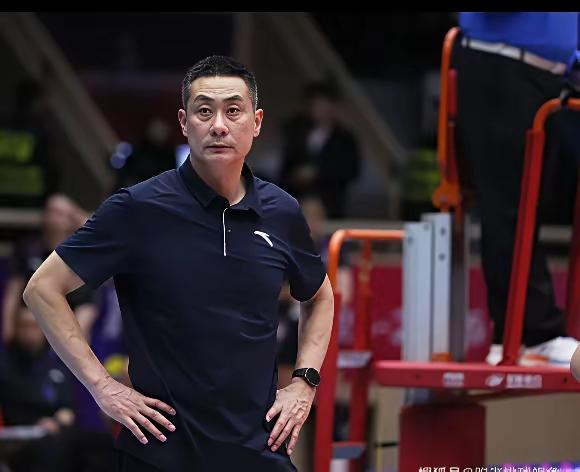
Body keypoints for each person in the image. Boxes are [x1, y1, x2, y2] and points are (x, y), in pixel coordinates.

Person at [22, 55, 334, 471]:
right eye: (204, 111)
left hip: (258, 453)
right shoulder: (137, 208)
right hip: (161, 456)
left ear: (256, 122)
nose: (219, 125)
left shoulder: (282, 211)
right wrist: (103, 387)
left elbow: (320, 297)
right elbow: (42, 289)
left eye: (233, 111)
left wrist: (304, 382)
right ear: (184, 123)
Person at [454, 12, 580, 365]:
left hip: (551, 76)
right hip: (502, 65)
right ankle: (527, 335)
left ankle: (521, 332)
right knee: (509, 205)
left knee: (533, 204)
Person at [2, 194, 96, 344]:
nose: (54, 218)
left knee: (84, 316)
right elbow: (14, 289)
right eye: (51, 211)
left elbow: (101, 232)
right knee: (29, 318)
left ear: (71, 218)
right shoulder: (29, 247)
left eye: (60, 213)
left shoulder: (80, 248)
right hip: (35, 308)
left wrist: (77, 216)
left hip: (72, 305)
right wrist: (7, 330)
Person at [279, 81, 361, 218]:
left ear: (332, 106)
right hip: (298, 202)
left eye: (322, 104)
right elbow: (286, 166)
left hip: (331, 204)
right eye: (314, 104)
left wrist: (318, 173)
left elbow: (351, 170)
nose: (317, 109)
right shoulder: (298, 133)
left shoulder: (344, 138)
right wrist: (296, 176)